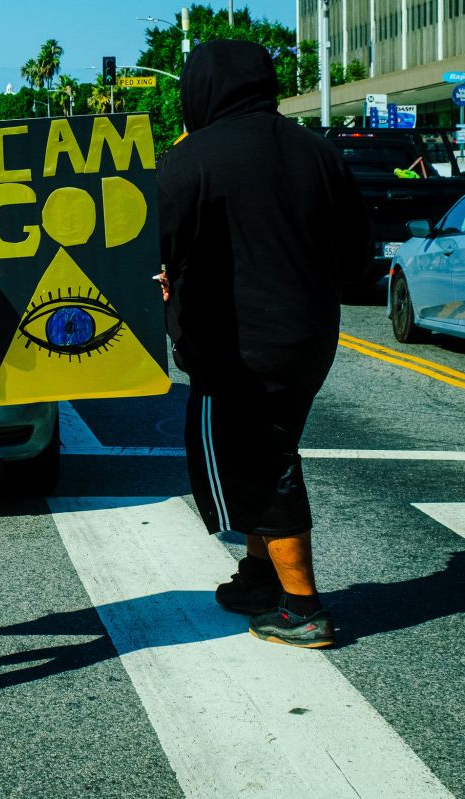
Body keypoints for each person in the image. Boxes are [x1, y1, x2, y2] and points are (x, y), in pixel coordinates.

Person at [157, 40, 372, 648]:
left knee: (260, 464)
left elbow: (157, 246)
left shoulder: (190, 158)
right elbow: (359, 259)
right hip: (309, 338)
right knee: (267, 448)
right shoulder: (318, 152)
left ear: (200, 88)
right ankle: (259, 577)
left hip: (235, 344)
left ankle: (302, 608)